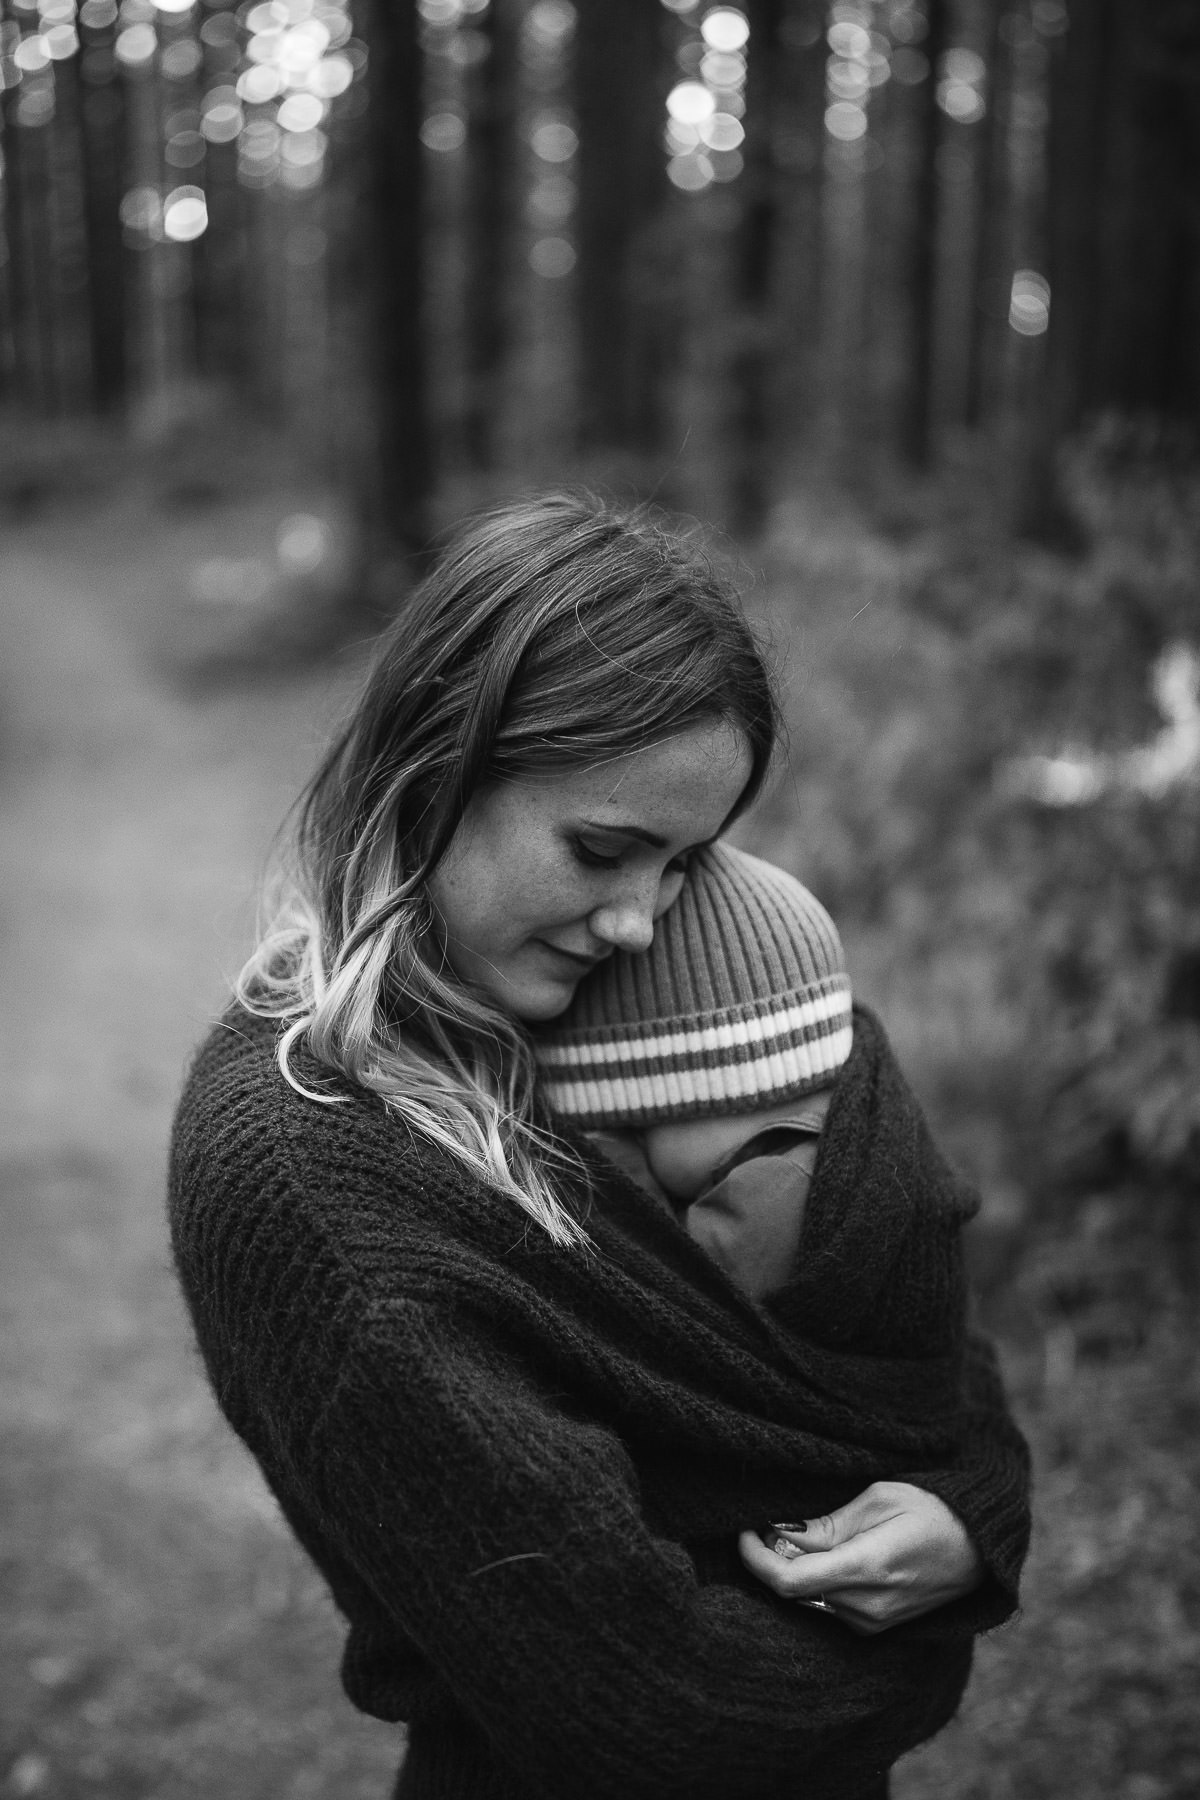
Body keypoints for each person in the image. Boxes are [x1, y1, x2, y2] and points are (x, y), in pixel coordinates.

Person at [168, 492, 1031, 1800]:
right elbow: (660, 1714)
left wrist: (971, 1512)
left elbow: (890, 1287)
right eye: (602, 849)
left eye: (686, 864)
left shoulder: (614, 977)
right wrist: (929, 1651)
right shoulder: (308, 1175)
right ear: (437, 760)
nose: (641, 923)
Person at [534, 839, 855, 1304]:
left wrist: (611, 1165)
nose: (630, 1143)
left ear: (727, 1089)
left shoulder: (778, 1194)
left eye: (631, 1128)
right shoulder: (808, 1159)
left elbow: (669, 1288)